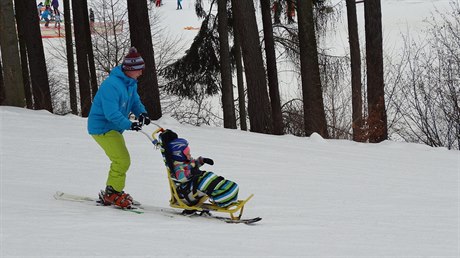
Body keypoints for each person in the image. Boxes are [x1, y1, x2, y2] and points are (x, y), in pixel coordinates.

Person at [88, 47, 151, 209]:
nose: (141, 73)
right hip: (102, 128)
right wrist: (129, 125)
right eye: (139, 70)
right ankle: (112, 193)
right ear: (130, 70)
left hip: (113, 128)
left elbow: (135, 102)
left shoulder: (130, 83)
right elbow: (111, 113)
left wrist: (142, 113)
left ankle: (114, 190)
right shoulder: (112, 85)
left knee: (122, 160)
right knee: (121, 160)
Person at [166, 137, 239, 210]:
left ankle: (227, 190)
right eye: (187, 153)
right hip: (187, 192)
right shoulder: (178, 167)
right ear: (179, 154)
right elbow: (181, 177)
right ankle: (223, 197)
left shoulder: (185, 161)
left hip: (193, 185)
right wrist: (191, 172)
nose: (190, 154)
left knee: (210, 178)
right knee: (207, 182)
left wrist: (202, 160)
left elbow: (194, 164)